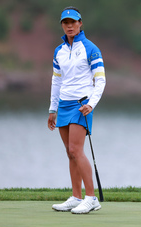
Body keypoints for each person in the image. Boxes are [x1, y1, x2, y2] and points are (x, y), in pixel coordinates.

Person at [47, 6, 106, 214]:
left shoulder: (91, 49)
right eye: (65, 23)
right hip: (63, 104)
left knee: (75, 150)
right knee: (69, 153)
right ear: (62, 25)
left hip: (82, 105)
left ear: (80, 23)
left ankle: (91, 198)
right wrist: (52, 109)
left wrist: (92, 103)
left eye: (73, 22)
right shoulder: (59, 51)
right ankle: (76, 196)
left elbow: (100, 80)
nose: (69, 26)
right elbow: (56, 81)